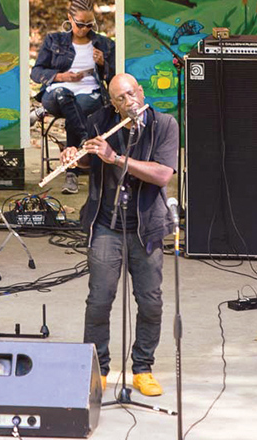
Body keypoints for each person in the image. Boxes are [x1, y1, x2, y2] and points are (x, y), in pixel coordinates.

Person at [59, 73, 178, 396]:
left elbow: (162, 174)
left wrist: (116, 158)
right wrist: (75, 158)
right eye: (120, 99)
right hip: (106, 225)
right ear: (112, 103)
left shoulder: (164, 124)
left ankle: (143, 368)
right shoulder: (100, 120)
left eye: (131, 94)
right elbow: (90, 160)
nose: (129, 102)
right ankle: (98, 369)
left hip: (147, 227)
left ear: (141, 91)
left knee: (150, 302)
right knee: (99, 301)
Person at [31, 0, 116, 194]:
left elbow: (113, 79)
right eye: (80, 24)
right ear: (70, 18)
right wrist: (61, 76)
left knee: (75, 111)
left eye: (89, 24)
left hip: (89, 94)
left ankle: (72, 173)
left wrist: (104, 63)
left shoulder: (103, 44)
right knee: (64, 95)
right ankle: (86, 143)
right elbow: (35, 73)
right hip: (56, 92)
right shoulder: (54, 40)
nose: (84, 29)